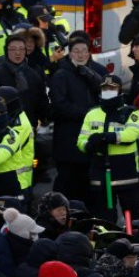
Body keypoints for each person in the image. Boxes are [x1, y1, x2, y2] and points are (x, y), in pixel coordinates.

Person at [78, 73, 139, 223]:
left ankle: (134, 243)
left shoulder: (130, 112)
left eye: (112, 88)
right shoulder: (92, 113)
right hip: (101, 174)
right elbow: (81, 140)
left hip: (125, 173)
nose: (108, 91)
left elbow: (131, 135)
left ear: (120, 91)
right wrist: (89, 146)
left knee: (131, 217)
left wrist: (106, 137)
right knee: (105, 217)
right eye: (105, 88)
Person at [48, 34, 107, 202]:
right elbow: (60, 104)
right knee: (66, 181)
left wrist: (92, 77)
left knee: (88, 182)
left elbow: (107, 95)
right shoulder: (61, 74)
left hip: (91, 137)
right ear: (70, 54)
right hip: (68, 136)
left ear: (89, 53)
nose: (80, 55)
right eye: (76, 51)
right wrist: (88, 113)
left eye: (84, 51)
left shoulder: (97, 71)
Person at [0, 33, 49, 128]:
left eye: (21, 49)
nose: (17, 53)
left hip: (28, 126)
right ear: (6, 51)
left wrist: (45, 117)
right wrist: (3, 101)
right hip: (3, 125)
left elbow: (42, 100)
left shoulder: (33, 74)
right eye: (13, 49)